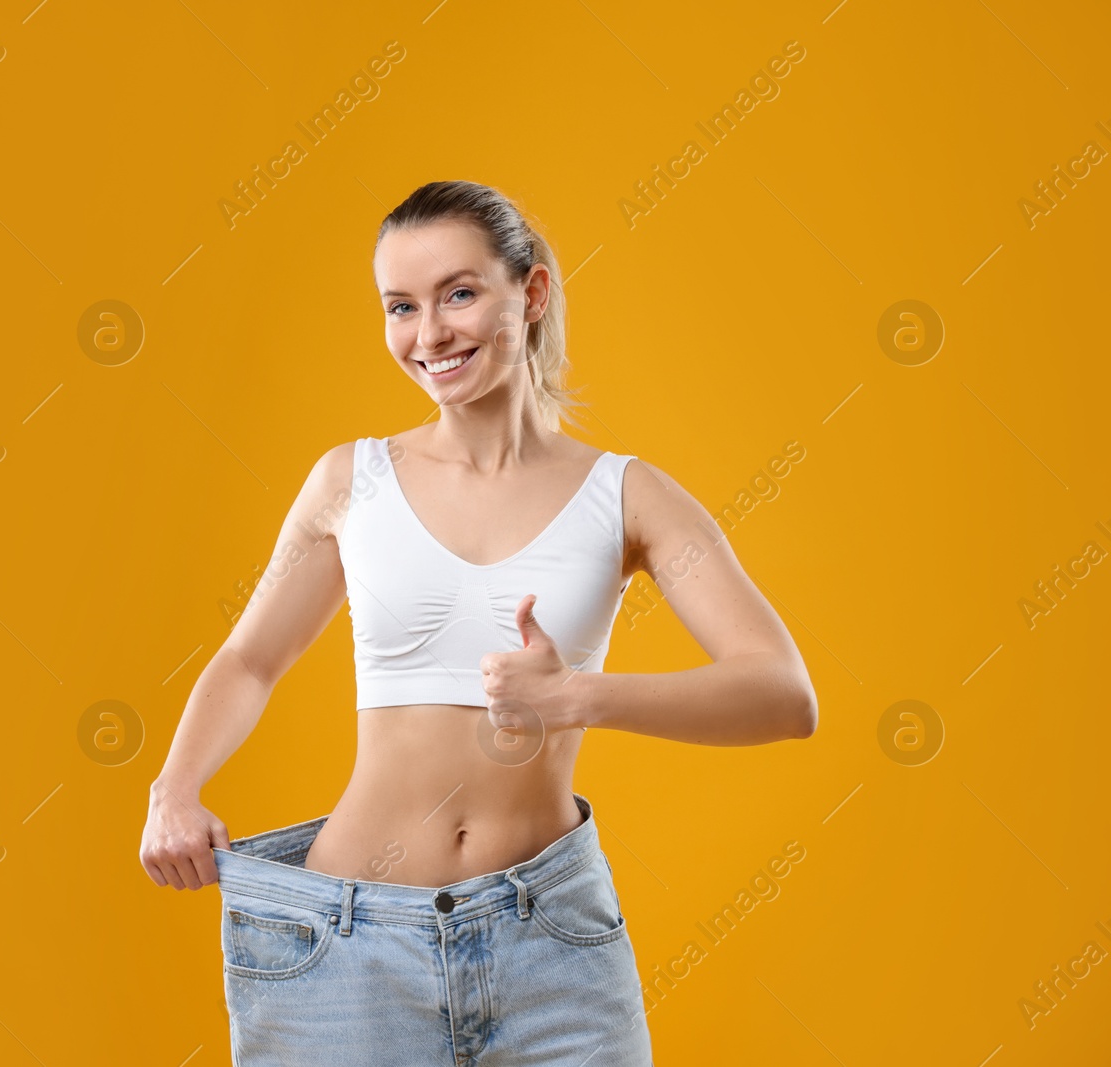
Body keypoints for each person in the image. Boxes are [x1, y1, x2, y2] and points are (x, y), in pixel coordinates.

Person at [139, 179, 818, 1065]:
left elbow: (782, 693)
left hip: (552, 946)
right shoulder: (352, 482)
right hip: (347, 943)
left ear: (530, 294)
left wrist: (577, 696)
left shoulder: (628, 495)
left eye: (459, 294)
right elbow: (251, 658)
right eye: (401, 306)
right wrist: (173, 788)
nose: (431, 335)